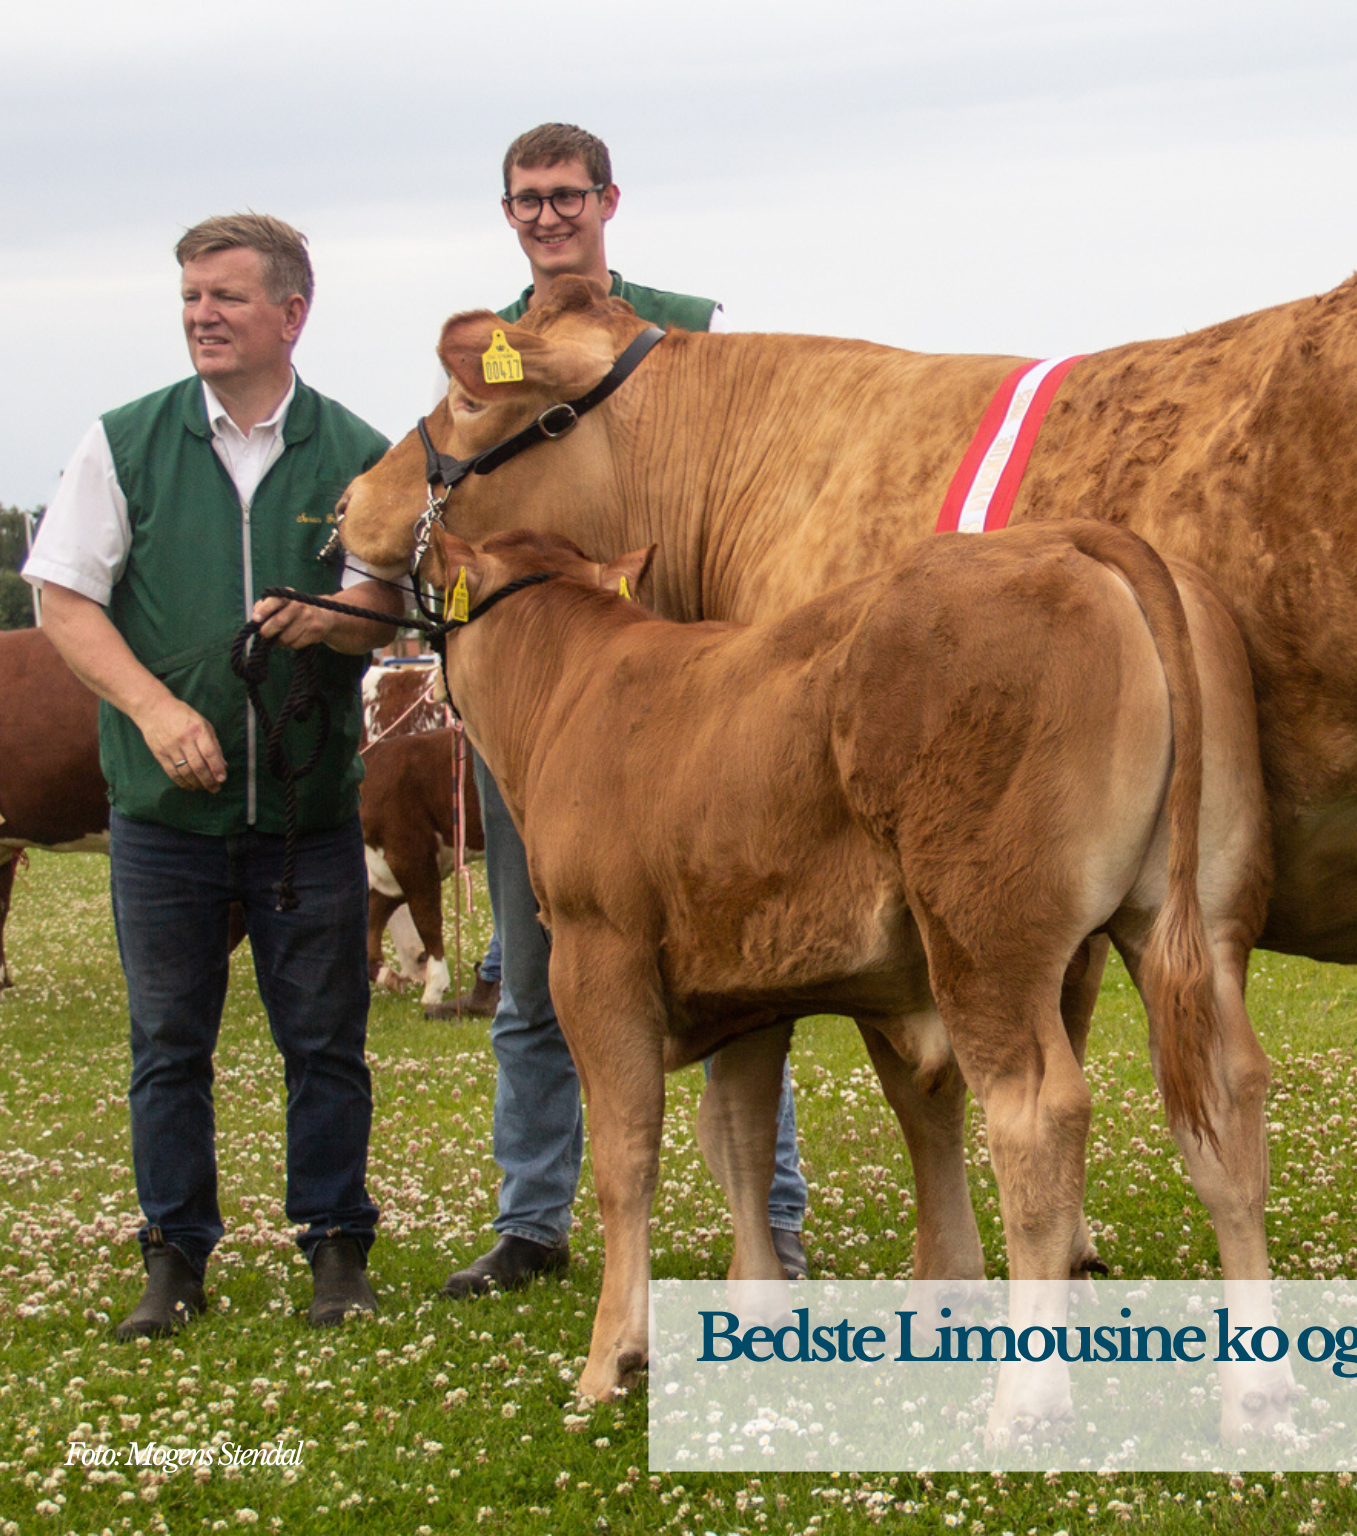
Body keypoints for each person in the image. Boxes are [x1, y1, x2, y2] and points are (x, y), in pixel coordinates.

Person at [442, 123, 810, 1299]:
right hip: (551, 704)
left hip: (693, 696)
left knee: (744, 960)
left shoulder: (686, 326)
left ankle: (773, 1220)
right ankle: (532, 1218)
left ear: (609, 199)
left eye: (566, 195)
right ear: (506, 215)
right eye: (526, 200)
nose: (547, 216)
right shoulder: (481, 358)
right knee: (542, 956)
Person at [27, 214, 401, 1337]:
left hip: (307, 812)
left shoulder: (359, 455)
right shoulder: (123, 442)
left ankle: (335, 1248)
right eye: (191, 297)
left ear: (293, 312)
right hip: (162, 816)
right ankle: (174, 1258)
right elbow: (62, 598)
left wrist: (331, 619)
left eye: (227, 297)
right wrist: (148, 707)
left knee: (325, 1041)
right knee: (168, 1043)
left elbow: (384, 602)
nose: (202, 315)